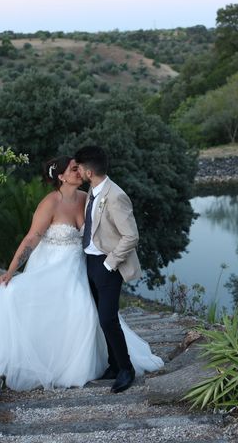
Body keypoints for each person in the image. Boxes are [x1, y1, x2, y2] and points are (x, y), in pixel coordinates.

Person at [0, 156, 163, 391]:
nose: (80, 172)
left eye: (80, 168)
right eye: (74, 169)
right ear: (61, 176)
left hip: (82, 269)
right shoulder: (50, 203)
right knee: (20, 297)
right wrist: (11, 270)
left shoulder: (88, 199)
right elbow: (32, 238)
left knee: (87, 312)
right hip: (52, 267)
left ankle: (112, 364)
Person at [74, 145, 143, 393]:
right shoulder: (93, 190)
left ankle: (126, 369)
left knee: (108, 318)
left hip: (107, 265)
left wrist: (109, 264)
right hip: (89, 263)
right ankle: (113, 365)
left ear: (89, 171)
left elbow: (131, 236)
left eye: (79, 168)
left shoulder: (115, 196)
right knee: (99, 318)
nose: (77, 171)